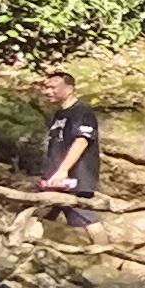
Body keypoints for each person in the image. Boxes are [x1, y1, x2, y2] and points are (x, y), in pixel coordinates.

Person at [34, 70, 102, 225]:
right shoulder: (59, 114)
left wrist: (63, 171)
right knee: (34, 215)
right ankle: (23, 248)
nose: (47, 92)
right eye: (46, 87)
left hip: (75, 179)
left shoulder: (82, 112)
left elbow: (82, 141)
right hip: (54, 180)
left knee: (88, 223)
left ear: (70, 88)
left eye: (53, 87)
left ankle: (105, 249)